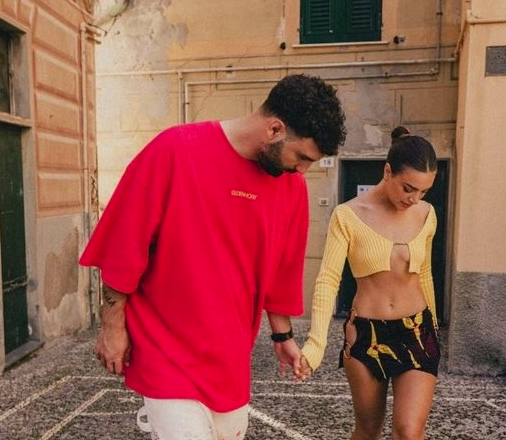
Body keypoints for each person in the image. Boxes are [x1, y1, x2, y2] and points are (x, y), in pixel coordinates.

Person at [79, 74, 346, 440]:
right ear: (274, 129)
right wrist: (112, 327)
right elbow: (123, 247)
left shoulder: (291, 187)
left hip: (230, 360)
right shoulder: (174, 150)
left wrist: (282, 335)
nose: (303, 169)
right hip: (164, 350)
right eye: (301, 156)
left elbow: (282, 272)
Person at [300, 126, 440, 440]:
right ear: (388, 171)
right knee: (368, 430)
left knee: (409, 431)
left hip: (417, 331)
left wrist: (434, 330)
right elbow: (328, 280)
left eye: (423, 192)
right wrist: (316, 345)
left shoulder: (427, 214)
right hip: (366, 333)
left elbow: (425, 273)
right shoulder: (348, 215)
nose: (414, 199)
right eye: (408, 188)